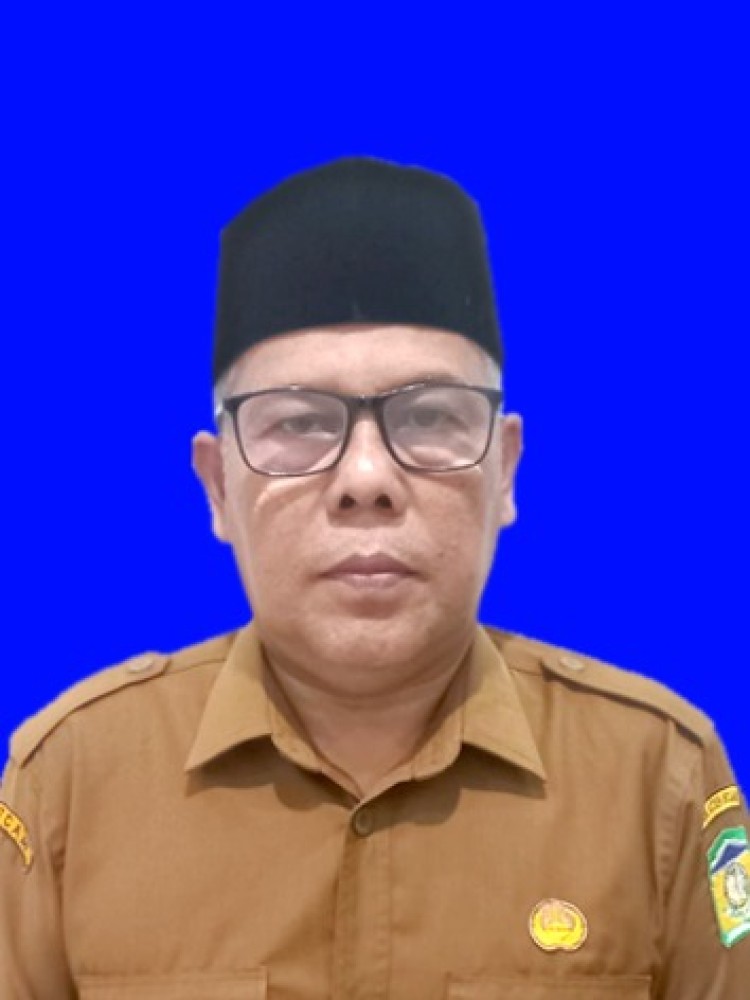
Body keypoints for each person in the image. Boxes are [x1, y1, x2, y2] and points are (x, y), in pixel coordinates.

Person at [1, 157, 748, 999]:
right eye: (298, 423)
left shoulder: (656, 778)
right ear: (216, 486)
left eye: (427, 417)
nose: (365, 478)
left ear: (505, 471)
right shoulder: (73, 785)